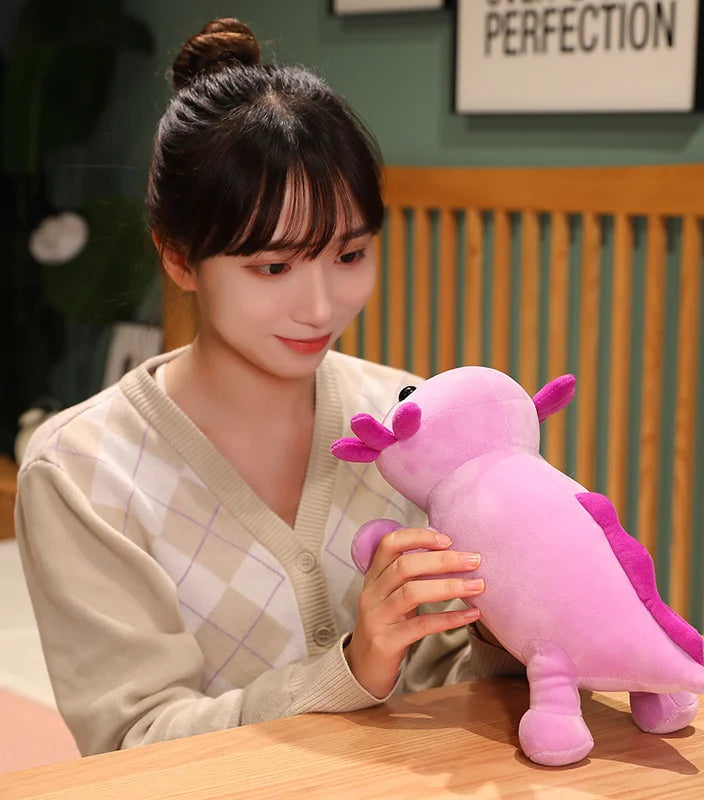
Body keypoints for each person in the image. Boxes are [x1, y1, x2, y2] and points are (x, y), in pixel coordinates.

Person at [14, 17, 521, 757]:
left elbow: (460, 682)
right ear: (180, 258)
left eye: (350, 254)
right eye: (273, 267)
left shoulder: (413, 421)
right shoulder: (81, 472)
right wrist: (349, 668)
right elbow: (137, 742)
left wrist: (518, 622)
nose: (321, 307)